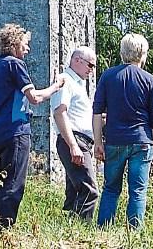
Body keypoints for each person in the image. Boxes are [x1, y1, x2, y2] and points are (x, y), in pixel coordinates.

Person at [0, 23, 65, 230]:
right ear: (15, 43)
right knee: (14, 182)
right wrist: (56, 86)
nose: (27, 49)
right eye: (25, 44)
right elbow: (34, 97)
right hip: (16, 130)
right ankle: (5, 229)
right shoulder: (15, 64)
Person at [92, 33, 153, 228]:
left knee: (111, 189)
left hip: (115, 140)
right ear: (143, 54)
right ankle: (135, 232)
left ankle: (103, 229)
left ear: (122, 52)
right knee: (138, 190)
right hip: (142, 141)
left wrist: (98, 142)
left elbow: (97, 111)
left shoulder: (108, 76)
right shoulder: (150, 80)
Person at [51, 46, 99, 221]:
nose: (91, 71)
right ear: (77, 60)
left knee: (74, 191)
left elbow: (78, 115)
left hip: (81, 140)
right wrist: (73, 146)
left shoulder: (77, 83)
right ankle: (81, 229)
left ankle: (68, 228)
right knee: (89, 190)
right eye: (90, 65)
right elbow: (59, 113)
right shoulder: (65, 81)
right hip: (74, 140)